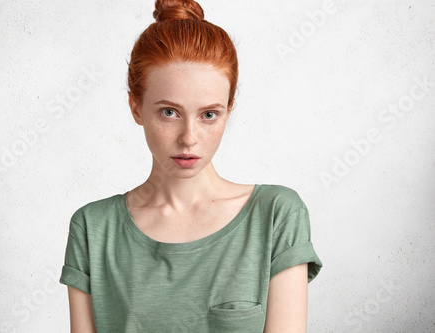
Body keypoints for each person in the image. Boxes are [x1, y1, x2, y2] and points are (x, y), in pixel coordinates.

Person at [59, 0, 323, 332]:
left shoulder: (276, 216)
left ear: (228, 109)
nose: (189, 138)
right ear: (136, 107)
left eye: (209, 114)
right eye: (169, 112)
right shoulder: (93, 229)